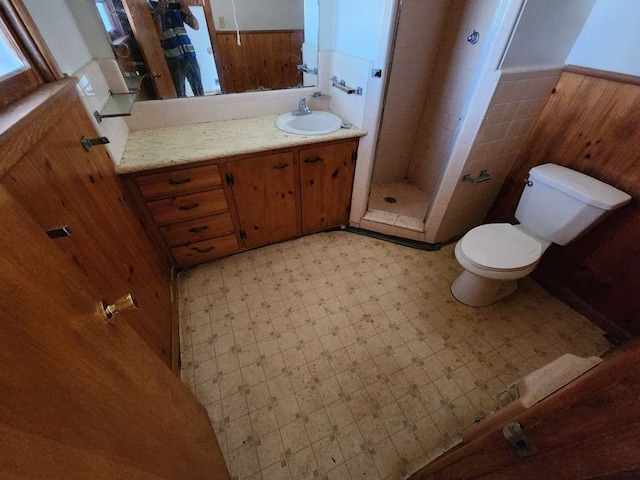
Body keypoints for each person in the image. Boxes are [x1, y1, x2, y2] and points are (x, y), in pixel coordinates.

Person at [150, 0, 204, 97]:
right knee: (180, 93)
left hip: (190, 55)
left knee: (199, 90)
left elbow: (196, 26)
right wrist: (157, 14)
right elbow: (158, 36)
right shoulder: (150, 6)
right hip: (173, 59)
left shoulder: (176, 6)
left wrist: (189, 13)